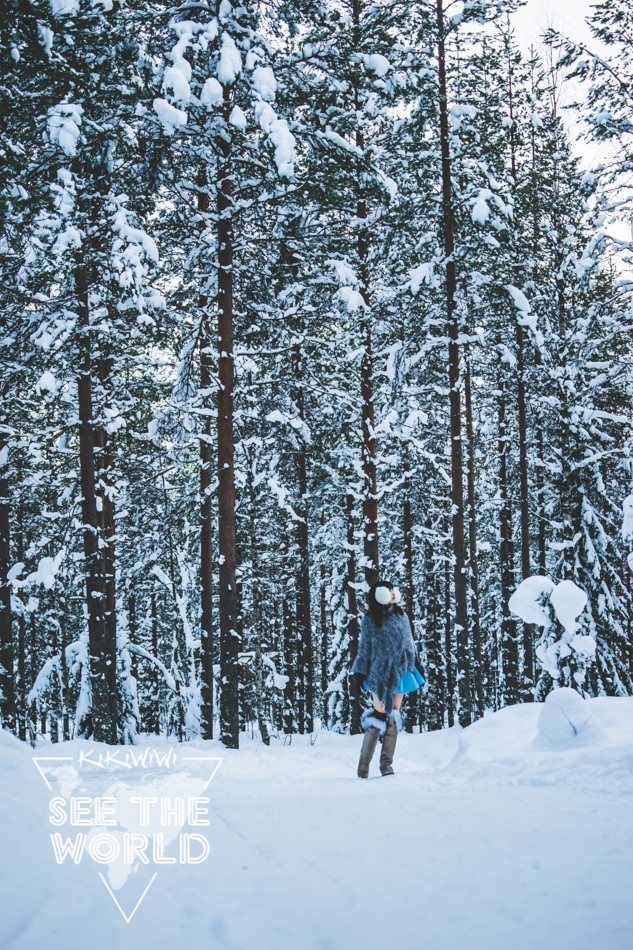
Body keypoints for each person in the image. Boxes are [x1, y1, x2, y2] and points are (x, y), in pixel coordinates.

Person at [348, 581, 424, 778]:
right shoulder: (370, 619)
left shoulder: (401, 615)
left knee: (393, 716)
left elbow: (409, 643)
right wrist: (360, 672)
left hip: (401, 670)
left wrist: (416, 663)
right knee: (379, 714)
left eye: (393, 590)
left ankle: (386, 765)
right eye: (388, 591)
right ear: (379, 595)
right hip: (379, 672)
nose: (392, 594)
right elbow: (365, 648)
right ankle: (363, 766)